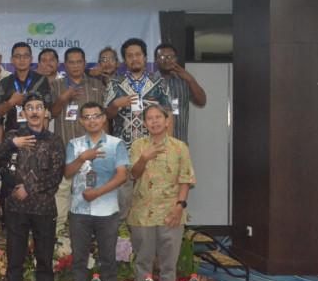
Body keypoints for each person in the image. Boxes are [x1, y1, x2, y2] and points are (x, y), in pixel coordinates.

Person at [0, 94, 65, 281]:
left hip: (44, 209)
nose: (34, 111)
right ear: (23, 112)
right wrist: (11, 144)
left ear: (46, 112)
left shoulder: (54, 140)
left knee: (44, 260)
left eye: (39, 107)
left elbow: (56, 175)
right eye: (30, 108)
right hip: (16, 208)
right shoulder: (14, 136)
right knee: (15, 261)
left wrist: (29, 188)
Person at [128, 105, 196, 281]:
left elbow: (185, 179)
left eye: (158, 117)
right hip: (142, 214)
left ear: (167, 121)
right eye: (150, 118)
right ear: (144, 123)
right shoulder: (138, 146)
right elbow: (133, 175)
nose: (154, 121)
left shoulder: (179, 147)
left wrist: (179, 206)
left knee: (168, 266)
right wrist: (143, 159)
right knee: (143, 264)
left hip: (171, 213)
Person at [64, 102, 128, 281]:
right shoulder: (74, 144)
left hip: (107, 211)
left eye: (96, 116)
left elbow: (122, 176)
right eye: (87, 117)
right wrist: (82, 158)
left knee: (108, 261)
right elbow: (67, 173)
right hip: (79, 211)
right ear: (81, 121)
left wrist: (97, 193)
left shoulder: (116, 144)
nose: (92, 121)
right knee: (79, 261)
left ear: (103, 118)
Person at [106, 38, 171, 219]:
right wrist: (116, 104)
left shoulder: (159, 82)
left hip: (153, 146)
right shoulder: (115, 83)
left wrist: (168, 143)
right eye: (130, 56)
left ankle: (148, 229)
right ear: (124, 60)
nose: (134, 59)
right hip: (122, 148)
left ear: (145, 57)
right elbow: (107, 115)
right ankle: (123, 232)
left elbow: (168, 113)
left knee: (151, 191)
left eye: (138, 55)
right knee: (123, 195)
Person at [49, 47, 106, 234]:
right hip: (65, 150)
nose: (75, 66)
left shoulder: (96, 85)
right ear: (65, 65)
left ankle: (90, 234)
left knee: (91, 191)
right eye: (71, 62)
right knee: (62, 192)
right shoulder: (55, 85)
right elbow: (51, 114)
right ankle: (59, 235)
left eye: (79, 61)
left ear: (84, 63)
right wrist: (63, 98)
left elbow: (105, 118)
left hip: (92, 151)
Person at [0, 42, 54, 134]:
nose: (22, 60)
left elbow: (47, 112)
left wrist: (41, 136)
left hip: (36, 135)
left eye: (26, 56)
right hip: (12, 136)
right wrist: (10, 103)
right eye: (18, 56)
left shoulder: (41, 80)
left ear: (31, 59)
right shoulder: (5, 82)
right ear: (12, 60)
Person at [154, 43, 207, 143]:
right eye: (162, 57)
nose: (166, 60)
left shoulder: (184, 81)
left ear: (176, 59)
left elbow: (202, 102)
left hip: (179, 143)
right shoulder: (148, 83)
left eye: (170, 57)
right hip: (154, 144)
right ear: (156, 60)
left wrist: (190, 79)